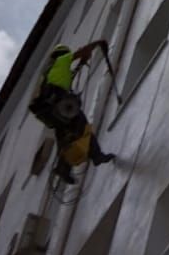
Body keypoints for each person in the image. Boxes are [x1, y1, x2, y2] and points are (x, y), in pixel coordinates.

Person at [28, 42, 116, 185]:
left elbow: (73, 71)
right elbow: (81, 51)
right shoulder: (62, 60)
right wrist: (98, 43)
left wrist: (82, 61)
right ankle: (97, 155)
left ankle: (63, 168)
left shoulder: (51, 71)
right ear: (63, 54)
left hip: (49, 111)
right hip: (59, 103)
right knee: (84, 128)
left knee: (65, 139)